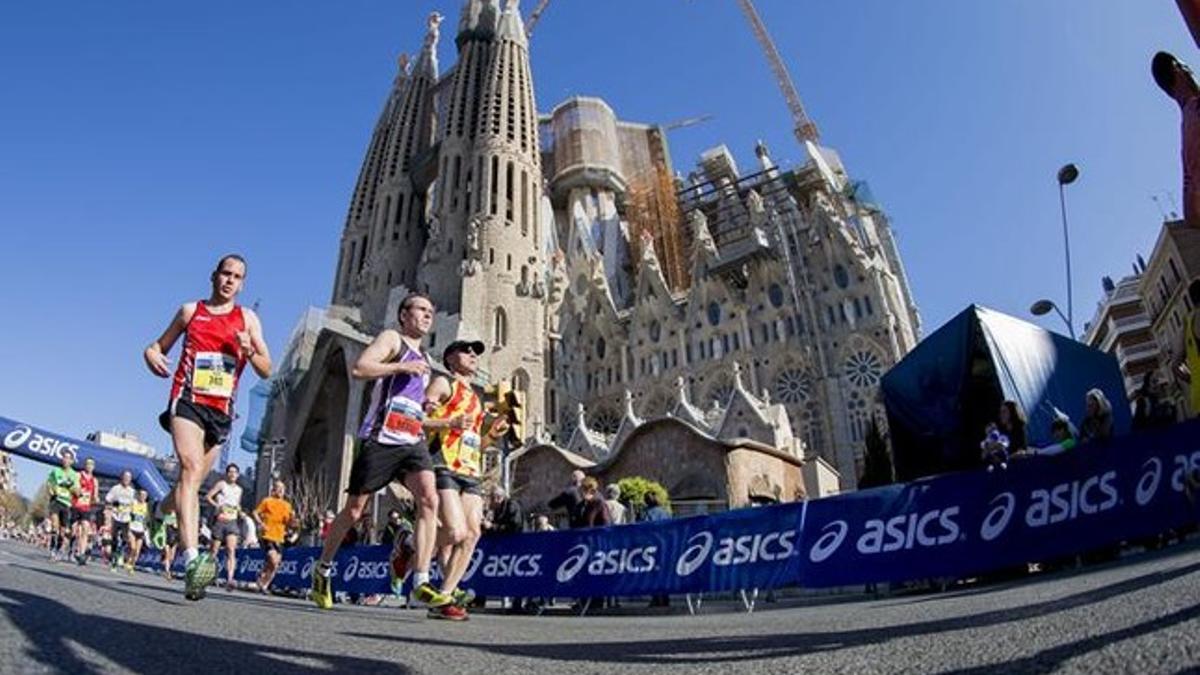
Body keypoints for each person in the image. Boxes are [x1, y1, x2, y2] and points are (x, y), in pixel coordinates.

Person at [310, 293, 449, 612]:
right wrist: (400, 365)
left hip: (412, 439)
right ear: (403, 314)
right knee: (355, 511)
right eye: (421, 310)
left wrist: (430, 408)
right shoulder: (392, 339)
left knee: (429, 499)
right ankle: (324, 568)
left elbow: (415, 401)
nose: (428, 316)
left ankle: (422, 581)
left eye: (431, 311)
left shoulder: (426, 358)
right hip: (381, 436)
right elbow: (360, 368)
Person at [144, 253, 271, 600]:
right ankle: (192, 561)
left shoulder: (248, 319)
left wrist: (250, 349)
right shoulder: (190, 311)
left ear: (242, 284)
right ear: (214, 276)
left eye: (237, 276)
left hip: (221, 410)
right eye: (225, 273)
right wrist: (151, 353)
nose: (230, 280)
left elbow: (266, 368)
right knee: (189, 467)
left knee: (194, 481)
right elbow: (159, 345)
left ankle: (160, 509)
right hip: (187, 400)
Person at [423, 338, 510, 620]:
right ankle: (411, 548)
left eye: (475, 353)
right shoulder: (443, 383)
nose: (473, 355)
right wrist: (448, 423)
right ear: (450, 358)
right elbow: (417, 419)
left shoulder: (475, 398)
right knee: (456, 532)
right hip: (444, 464)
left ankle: (444, 597)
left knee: (472, 535)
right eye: (466, 351)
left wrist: (492, 435)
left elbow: (475, 442)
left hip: (471, 470)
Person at [1153, 51, 1200, 225]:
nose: (1190, 71)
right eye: (1186, 67)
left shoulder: (1185, 140)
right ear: (1177, 69)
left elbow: (1191, 215)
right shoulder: (1197, 109)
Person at [206, 463, 244, 591]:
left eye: (235, 472)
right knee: (214, 551)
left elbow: (237, 504)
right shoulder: (221, 484)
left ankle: (230, 579)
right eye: (230, 472)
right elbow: (208, 497)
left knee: (231, 550)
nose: (232, 474)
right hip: (220, 521)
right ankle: (207, 575)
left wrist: (240, 511)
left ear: (238, 475)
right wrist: (218, 506)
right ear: (227, 474)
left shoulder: (239, 490)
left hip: (232, 522)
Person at [253, 479, 294, 593]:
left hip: (280, 537)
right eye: (278, 488)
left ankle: (264, 583)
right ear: (273, 489)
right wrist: (261, 524)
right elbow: (255, 513)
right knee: (273, 560)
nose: (280, 490)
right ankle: (263, 582)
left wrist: (293, 521)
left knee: (274, 565)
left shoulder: (287, 505)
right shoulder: (267, 501)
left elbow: (289, 523)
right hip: (268, 535)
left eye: (282, 489)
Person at [46, 449, 79, 562]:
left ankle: (59, 548)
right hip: (56, 501)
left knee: (63, 530)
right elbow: (49, 483)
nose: (65, 460)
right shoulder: (56, 471)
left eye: (68, 458)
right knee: (55, 526)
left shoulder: (74, 475)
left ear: (71, 461)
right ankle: (52, 549)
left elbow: (77, 491)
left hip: (67, 503)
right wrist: (51, 490)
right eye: (64, 457)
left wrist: (75, 491)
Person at [71, 457, 100, 565]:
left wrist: (96, 499)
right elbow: (73, 488)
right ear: (85, 465)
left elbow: (95, 496)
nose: (89, 466)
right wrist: (78, 491)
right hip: (76, 505)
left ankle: (81, 554)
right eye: (88, 464)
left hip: (86, 508)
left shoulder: (95, 480)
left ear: (94, 467)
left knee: (85, 529)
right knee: (74, 531)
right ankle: (73, 548)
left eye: (92, 464)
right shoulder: (79, 475)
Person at [105, 470, 136, 569]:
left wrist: (132, 512)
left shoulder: (132, 492)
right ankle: (114, 556)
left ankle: (120, 554)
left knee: (125, 538)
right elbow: (107, 499)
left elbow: (134, 505)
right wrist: (114, 504)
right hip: (116, 517)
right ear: (121, 478)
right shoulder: (116, 489)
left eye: (128, 478)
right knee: (114, 538)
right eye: (125, 477)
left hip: (126, 518)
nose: (126, 479)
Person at [126, 490, 150, 573]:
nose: (143, 497)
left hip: (141, 530)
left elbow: (147, 519)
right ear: (138, 495)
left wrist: (146, 527)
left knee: (137, 551)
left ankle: (132, 565)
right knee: (132, 547)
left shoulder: (147, 506)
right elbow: (128, 514)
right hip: (132, 529)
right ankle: (128, 561)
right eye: (141, 495)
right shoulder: (134, 503)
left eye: (145, 495)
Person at [160, 509, 180, 580]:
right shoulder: (167, 512)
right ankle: (167, 572)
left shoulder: (179, 512)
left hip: (176, 534)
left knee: (171, 557)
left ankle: (167, 566)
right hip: (168, 532)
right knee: (167, 554)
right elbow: (165, 522)